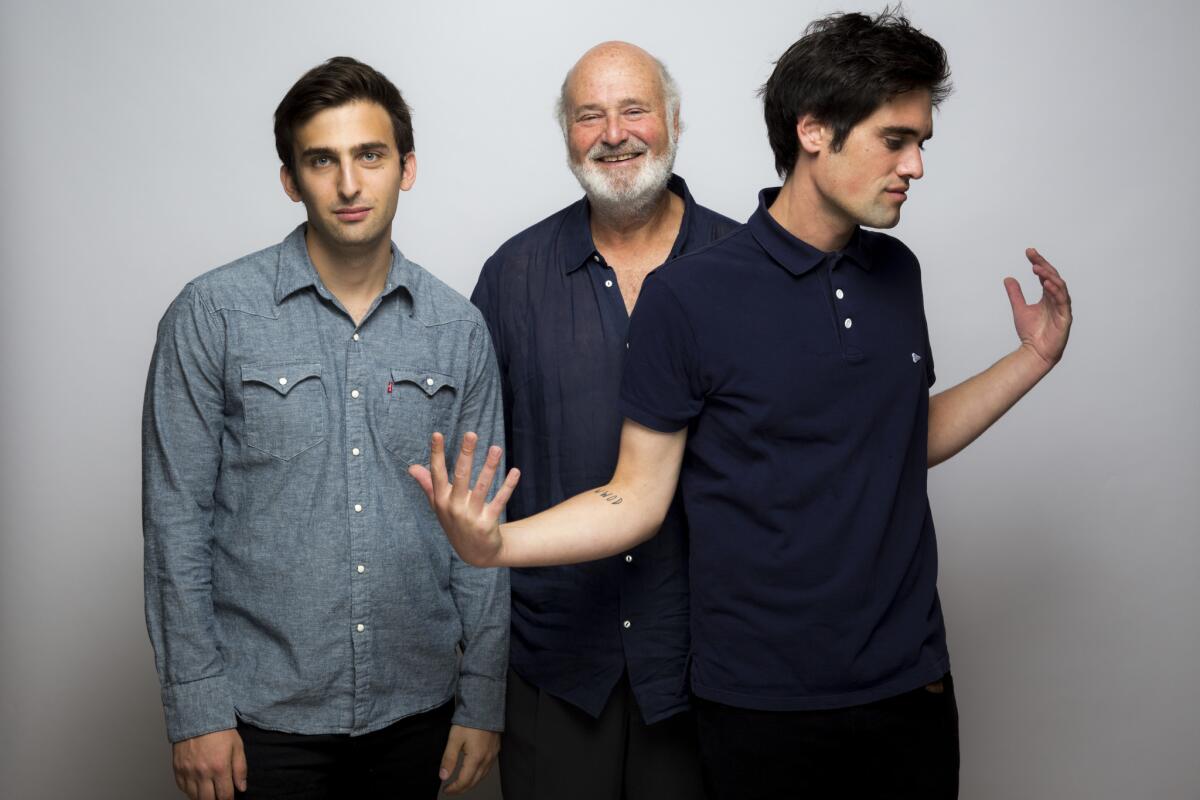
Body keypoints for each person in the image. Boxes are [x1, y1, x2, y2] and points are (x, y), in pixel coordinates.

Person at [413, 9, 1073, 799]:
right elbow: (636, 493)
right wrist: (494, 548)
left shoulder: (897, 273)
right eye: (896, 140)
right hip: (753, 705)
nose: (916, 165)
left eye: (920, 141)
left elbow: (899, 438)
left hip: (908, 689)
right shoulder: (685, 294)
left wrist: (1032, 359)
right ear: (815, 132)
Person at [142, 57, 508, 800]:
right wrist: (196, 708)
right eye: (322, 160)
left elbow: (482, 536)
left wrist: (484, 696)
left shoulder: (458, 330)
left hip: (419, 714)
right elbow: (175, 523)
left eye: (369, 156)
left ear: (406, 168)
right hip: (256, 721)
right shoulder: (211, 314)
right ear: (290, 178)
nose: (348, 184)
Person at [472, 41, 737, 800]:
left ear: (674, 122)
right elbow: (478, 479)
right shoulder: (511, 277)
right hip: (555, 669)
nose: (613, 133)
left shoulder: (741, 265)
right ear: (567, 136)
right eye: (589, 115)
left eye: (634, 110)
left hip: (707, 668)